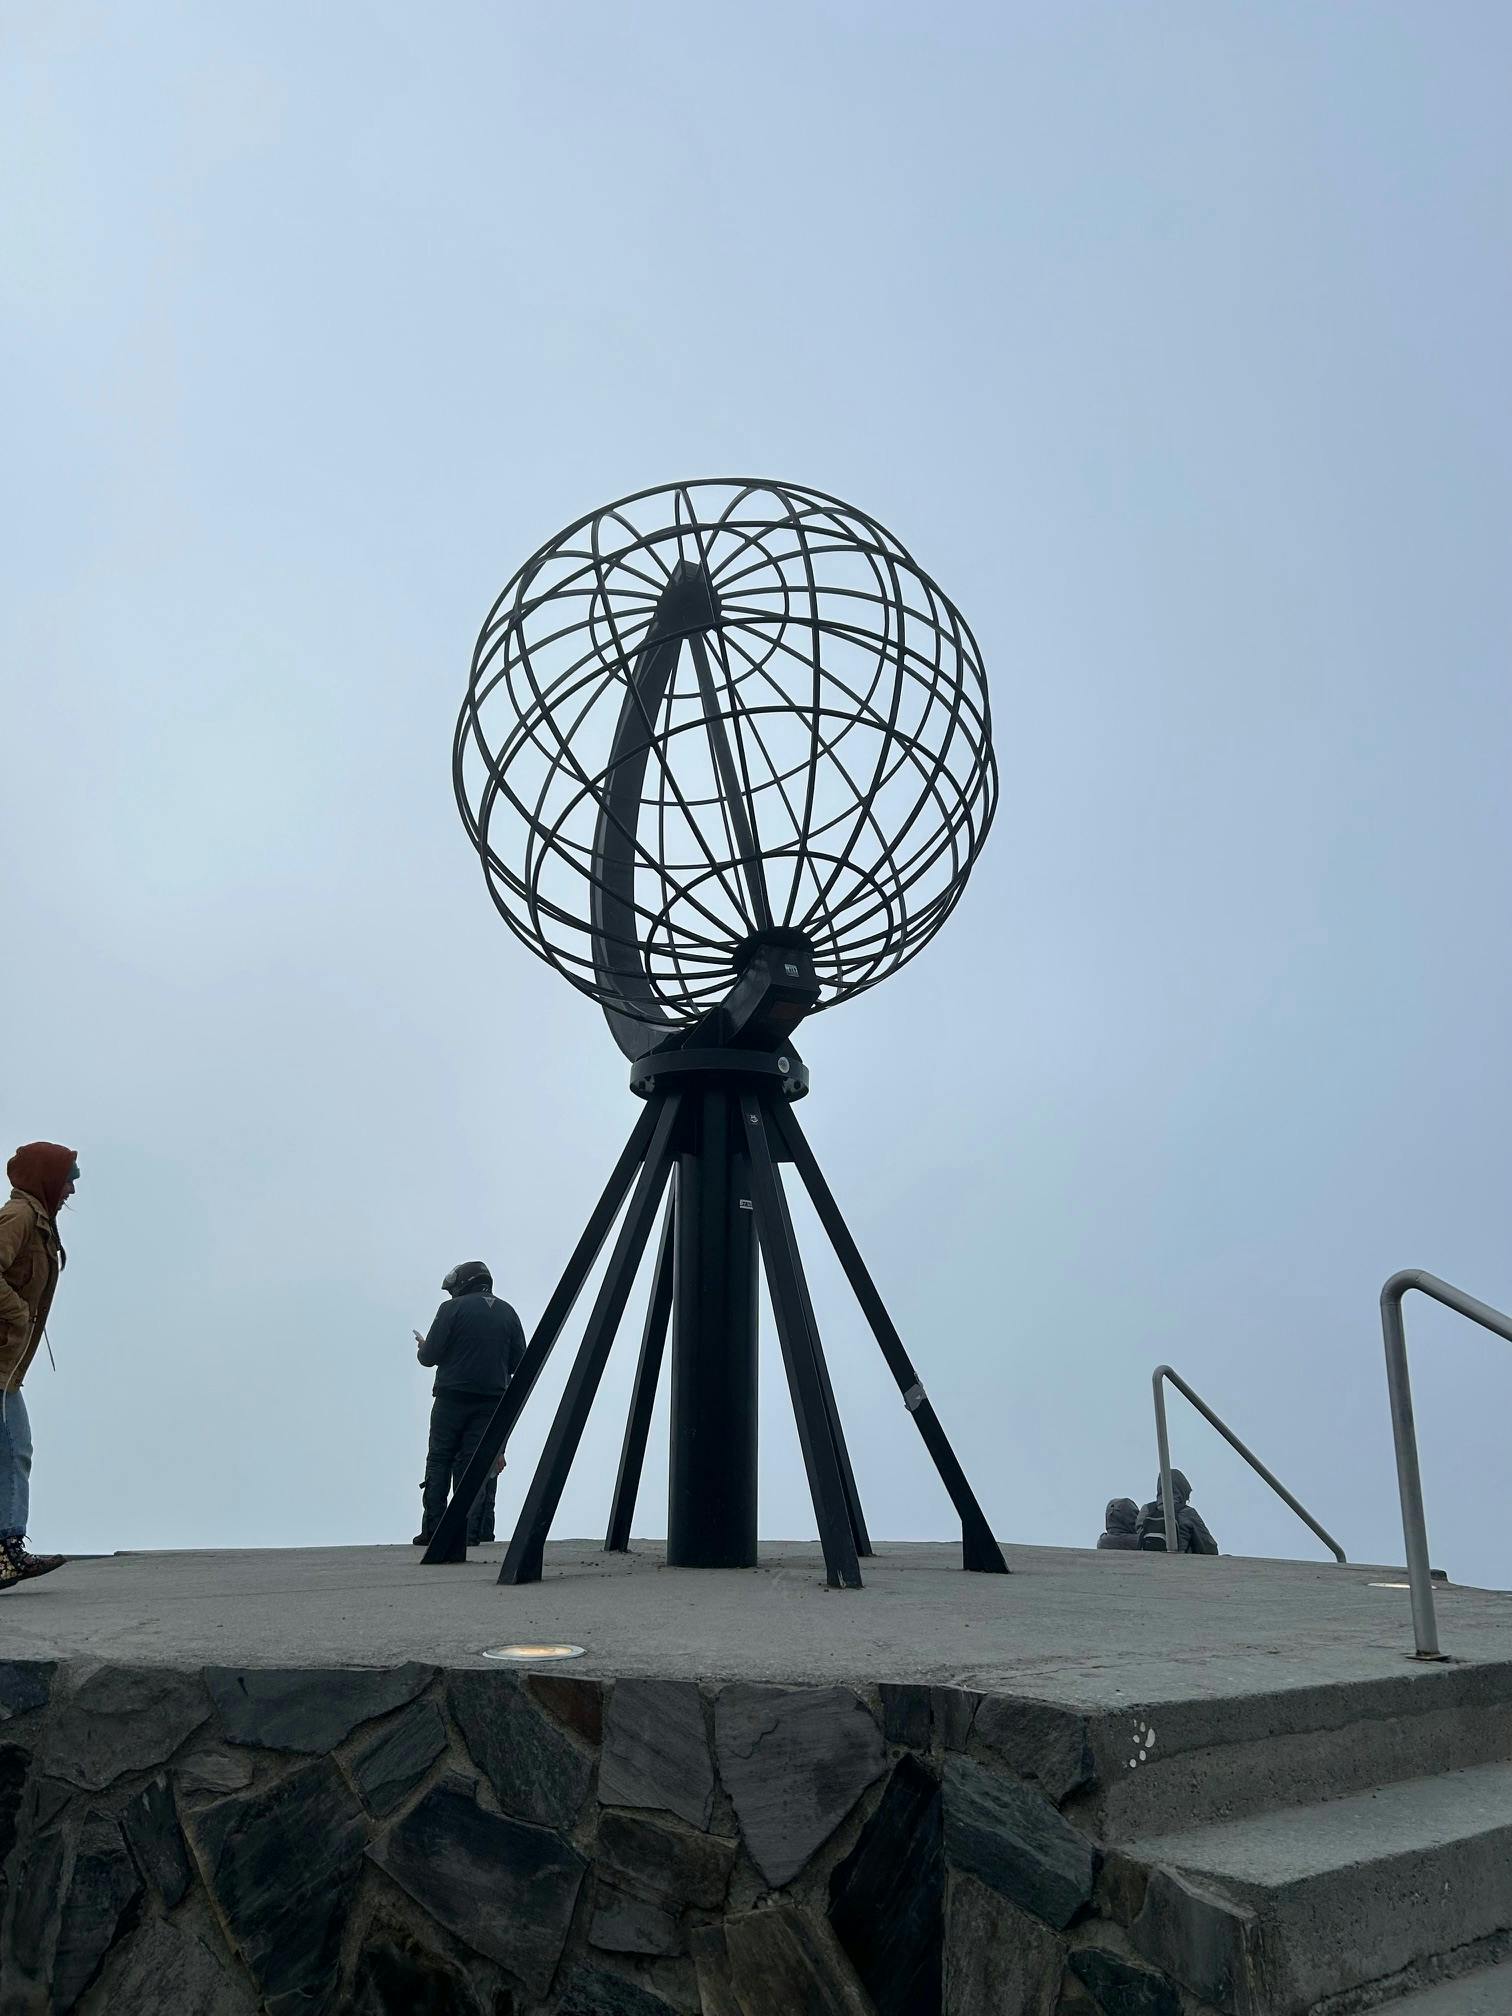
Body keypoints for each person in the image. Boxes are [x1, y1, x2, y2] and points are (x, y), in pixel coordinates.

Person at [0, 1142, 78, 1590]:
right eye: (70, 1176)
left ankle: (5, 1549)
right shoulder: (19, 1218)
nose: (71, 1188)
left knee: (12, 1452)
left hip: (6, 1364)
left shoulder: (38, 1220)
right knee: (12, 1451)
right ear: (47, 1177)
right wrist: (16, 1313)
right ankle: (6, 1551)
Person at [413, 1260, 526, 1548]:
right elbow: (519, 1362)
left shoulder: (450, 1310)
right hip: (491, 1402)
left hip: (451, 1398)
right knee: (474, 1464)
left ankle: (433, 1531)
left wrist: (423, 1347)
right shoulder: (508, 1312)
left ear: (463, 1284)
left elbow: (429, 1357)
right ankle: (469, 1533)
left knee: (440, 1459)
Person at [1135, 1469, 1219, 1554]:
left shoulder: (1146, 1509)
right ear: (1183, 1491)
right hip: (1179, 1564)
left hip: (1148, 1562)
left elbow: (1138, 1537)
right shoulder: (1187, 1512)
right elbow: (1208, 1546)